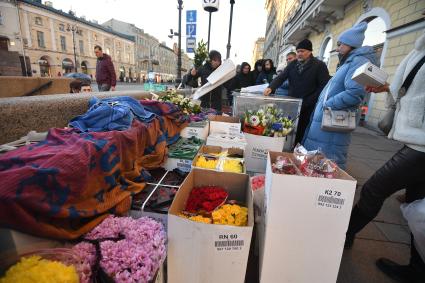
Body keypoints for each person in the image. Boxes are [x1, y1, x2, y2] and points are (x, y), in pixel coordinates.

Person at [345, 27, 425, 283]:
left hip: (421, 144)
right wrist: (389, 88)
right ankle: (417, 267)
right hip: (415, 138)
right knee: (416, 208)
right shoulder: (420, 47)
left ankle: (344, 234)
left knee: (374, 189)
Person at [302, 22, 377, 169]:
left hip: (333, 120)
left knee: (327, 161)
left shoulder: (358, 61)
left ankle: (324, 189)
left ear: (351, 45)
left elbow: (355, 93)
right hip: (329, 120)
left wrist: (328, 104)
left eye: (341, 44)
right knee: (319, 161)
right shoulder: (350, 62)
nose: (337, 48)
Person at [264, 39, 330, 145]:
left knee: (302, 131)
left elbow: (323, 86)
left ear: (309, 52)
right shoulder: (292, 64)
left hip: (309, 105)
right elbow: (281, 77)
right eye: (298, 51)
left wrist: (310, 100)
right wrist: (271, 87)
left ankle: (298, 151)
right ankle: (287, 148)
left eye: (302, 51)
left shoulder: (319, 65)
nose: (299, 54)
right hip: (293, 104)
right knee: (289, 129)